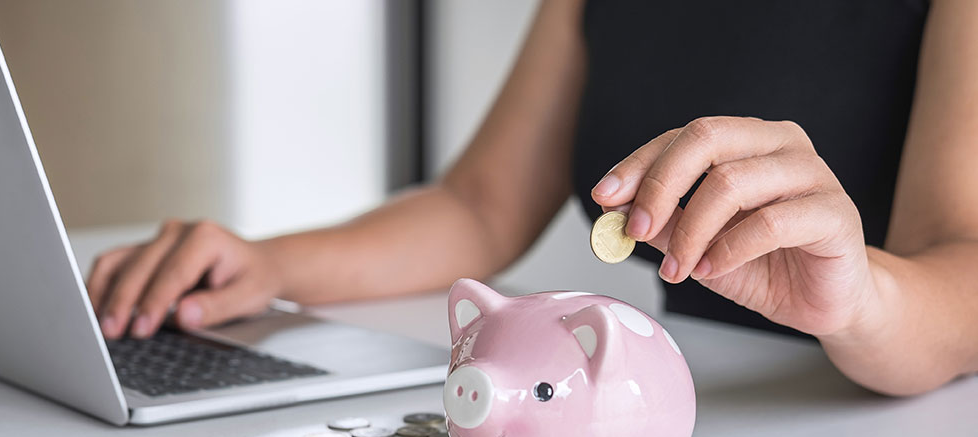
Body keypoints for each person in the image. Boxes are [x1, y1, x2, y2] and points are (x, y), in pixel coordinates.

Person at [86, 0, 978, 396]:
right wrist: (269, 265)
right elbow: (480, 204)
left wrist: (858, 300)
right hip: (667, 432)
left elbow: (962, 262)